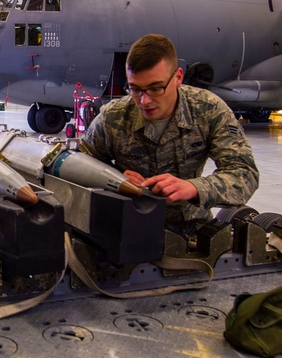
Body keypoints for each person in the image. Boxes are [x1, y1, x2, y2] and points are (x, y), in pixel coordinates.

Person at [80, 34, 259, 234]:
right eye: (135, 89)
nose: (144, 101)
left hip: (191, 229)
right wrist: (113, 178)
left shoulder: (208, 110)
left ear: (178, 77)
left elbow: (244, 175)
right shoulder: (114, 116)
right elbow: (78, 166)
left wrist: (194, 188)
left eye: (156, 88)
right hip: (126, 227)